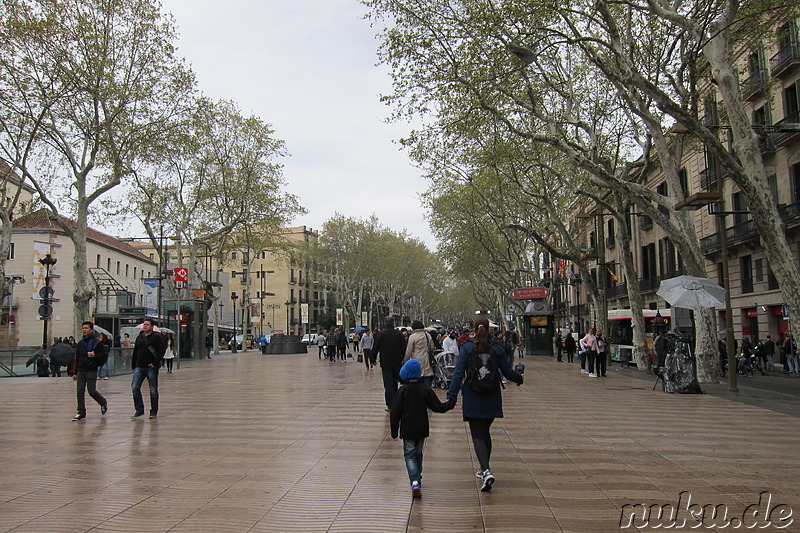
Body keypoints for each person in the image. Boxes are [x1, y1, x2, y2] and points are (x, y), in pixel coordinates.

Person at [447, 315, 523, 492]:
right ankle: (483, 468)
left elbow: (458, 374)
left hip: (473, 395)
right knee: (485, 432)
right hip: (492, 395)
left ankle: (486, 470)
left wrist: (452, 397)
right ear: (489, 328)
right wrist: (519, 378)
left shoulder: (466, 348)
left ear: (473, 329)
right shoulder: (497, 348)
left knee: (477, 435)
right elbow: (506, 371)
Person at [390, 358, 453, 498]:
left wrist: (394, 431)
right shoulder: (425, 389)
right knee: (418, 454)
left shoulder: (402, 391)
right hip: (422, 429)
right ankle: (418, 476)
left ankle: (415, 481)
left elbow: (394, 413)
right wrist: (449, 404)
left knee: (409, 456)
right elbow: (437, 407)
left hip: (407, 430)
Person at [72, 321, 108, 421]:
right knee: (80, 391)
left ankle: (102, 402)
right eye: (83, 328)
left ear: (91, 330)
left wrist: (95, 355)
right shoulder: (80, 343)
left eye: (86, 328)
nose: (84, 330)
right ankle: (81, 412)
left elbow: (104, 355)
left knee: (91, 391)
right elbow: (77, 358)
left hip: (91, 369)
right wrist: (75, 372)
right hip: (81, 370)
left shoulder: (97, 343)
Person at [130, 319, 166, 419]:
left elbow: (161, 351)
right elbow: (135, 352)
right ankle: (139, 409)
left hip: (151, 367)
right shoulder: (140, 338)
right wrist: (133, 365)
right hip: (139, 366)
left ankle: (153, 411)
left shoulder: (157, 337)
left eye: (147, 325)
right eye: (144, 325)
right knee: (135, 387)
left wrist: (155, 363)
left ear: (152, 326)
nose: (145, 326)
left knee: (153, 390)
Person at [373, 316, 406, 411]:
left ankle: (391, 405)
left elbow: (375, 347)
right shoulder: (399, 334)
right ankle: (397, 402)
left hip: (385, 363)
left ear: (384, 323)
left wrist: (373, 359)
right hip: (397, 362)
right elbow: (404, 347)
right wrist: (401, 357)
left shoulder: (381, 334)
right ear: (393, 323)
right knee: (395, 383)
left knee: (388, 384)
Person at [404, 320, 436, 388]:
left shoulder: (412, 336)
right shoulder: (427, 335)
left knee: (417, 383)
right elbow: (432, 347)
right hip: (427, 361)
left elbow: (409, 351)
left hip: (416, 361)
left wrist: (405, 361)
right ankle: (427, 396)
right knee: (427, 383)